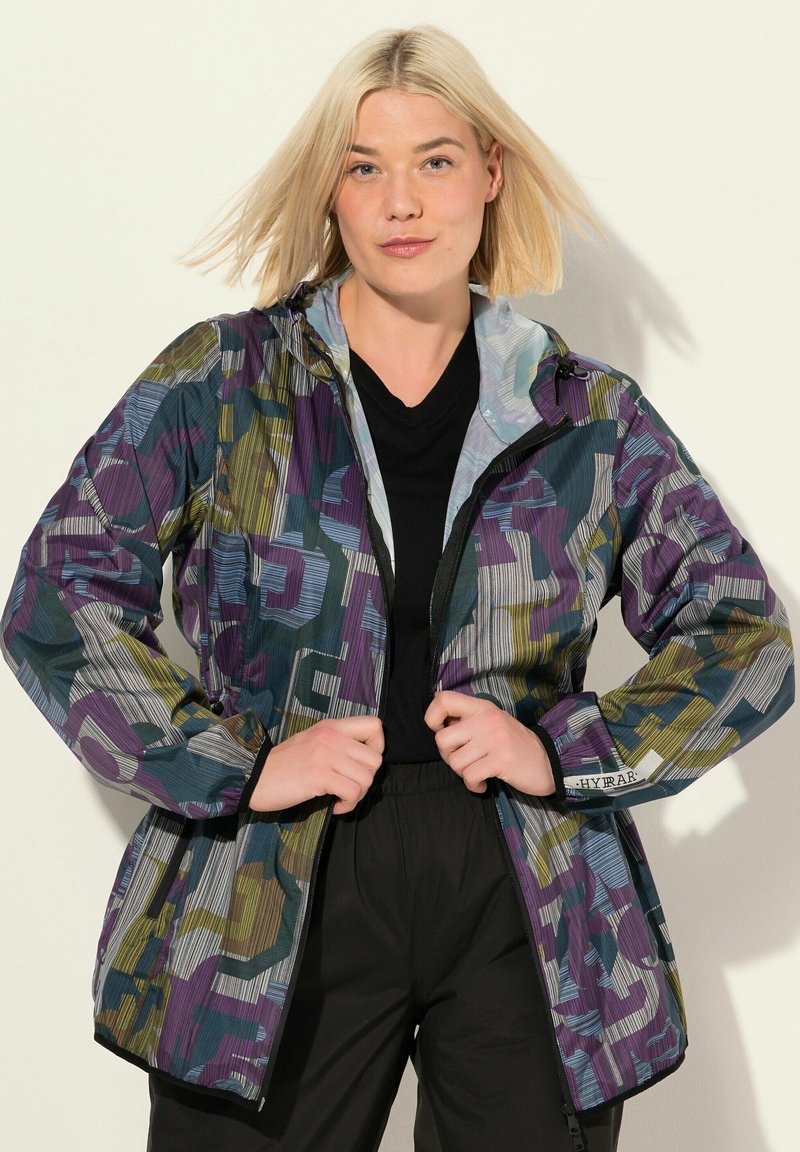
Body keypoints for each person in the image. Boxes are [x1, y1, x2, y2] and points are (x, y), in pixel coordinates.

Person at [1, 23, 793, 1152]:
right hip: (271, 890)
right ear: (329, 190)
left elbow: (745, 637)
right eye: (364, 166)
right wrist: (236, 765)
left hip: (522, 890)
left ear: (489, 174)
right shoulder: (226, 381)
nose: (401, 201)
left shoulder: (583, 412)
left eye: (434, 160)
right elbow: (59, 594)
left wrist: (567, 752)